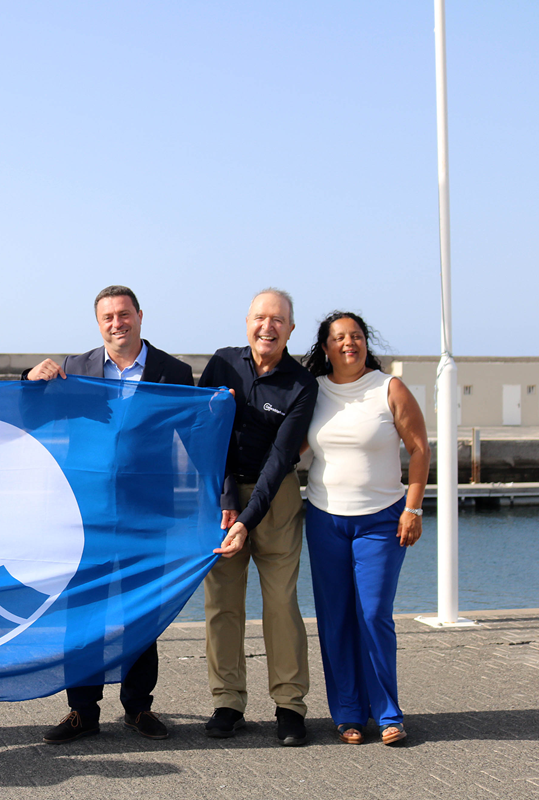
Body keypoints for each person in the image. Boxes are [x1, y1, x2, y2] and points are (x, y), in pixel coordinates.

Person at [23, 285, 194, 744]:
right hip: (87, 514)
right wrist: (30, 376)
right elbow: (30, 412)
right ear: (98, 324)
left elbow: (196, 436)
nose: (117, 323)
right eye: (107, 318)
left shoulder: (172, 371)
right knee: (83, 613)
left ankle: (138, 708)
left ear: (140, 316)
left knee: (143, 613)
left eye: (124, 315)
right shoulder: (75, 369)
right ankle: (82, 711)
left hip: (148, 515)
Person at [301, 311, 430, 746]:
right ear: (325, 347)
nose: (348, 343)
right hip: (324, 517)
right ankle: (348, 713)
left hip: (382, 519)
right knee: (335, 618)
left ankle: (388, 712)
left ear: (365, 343)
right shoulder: (313, 392)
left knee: (373, 614)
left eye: (355, 336)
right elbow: (290, 445)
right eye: (339, 338)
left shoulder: (388, 387)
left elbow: (419, 449)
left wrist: (412, 509)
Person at [198, 288, 317, 746]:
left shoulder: (301, 385)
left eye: (278, 320)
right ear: (247, 321)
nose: (267, 327)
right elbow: (207, 434)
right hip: (222, 494)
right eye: (260, 318)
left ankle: (289, 705)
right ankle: (228, 702)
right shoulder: (222, 364)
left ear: (290, 329)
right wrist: (228, 498)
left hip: (275, 496)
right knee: (222, 604)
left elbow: (280, 459)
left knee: (281, 602)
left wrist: (247, 517)